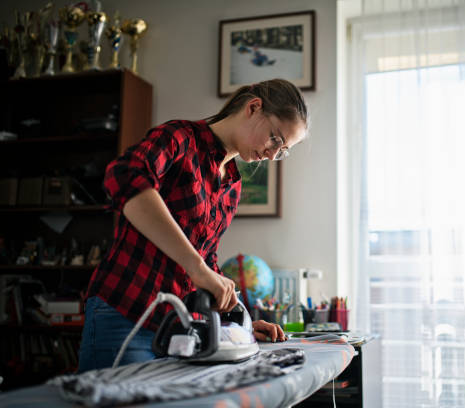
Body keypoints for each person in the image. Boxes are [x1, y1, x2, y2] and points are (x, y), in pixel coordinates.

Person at [78, 78, 308, 372]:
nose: (274, 155)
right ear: (254, 108)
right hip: (126, 313)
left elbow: (205, 256)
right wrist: (197, 267)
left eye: (284, 150)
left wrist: (240, 319)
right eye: (276, 139)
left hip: (179, 332)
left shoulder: (232, 184)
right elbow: (123, 176)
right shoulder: (179, 138)